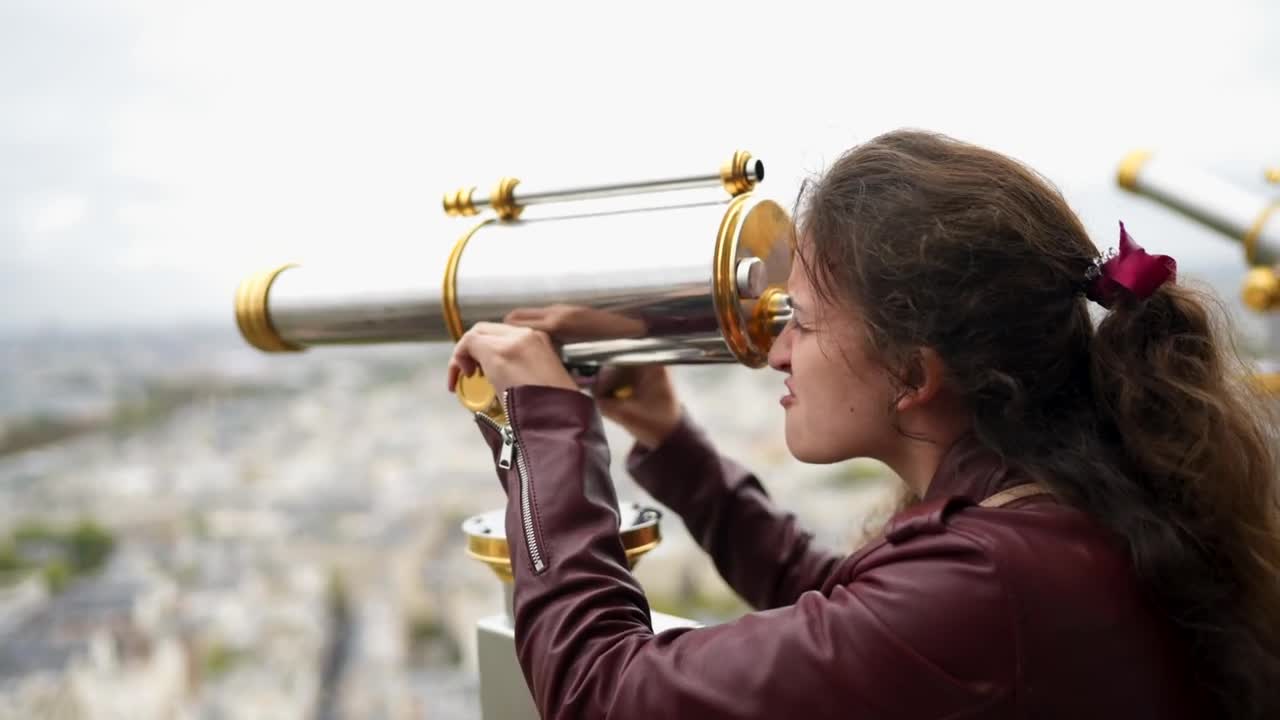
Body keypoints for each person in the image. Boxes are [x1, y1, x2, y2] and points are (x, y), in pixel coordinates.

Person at [446, 130, 1280, 719]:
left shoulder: (990, 585)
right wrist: (672, 440)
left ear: (916, 373)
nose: (776, 353)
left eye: (801, 322)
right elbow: (844, 612)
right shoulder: (1048, 514)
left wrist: (545, 425)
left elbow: (601, 695)